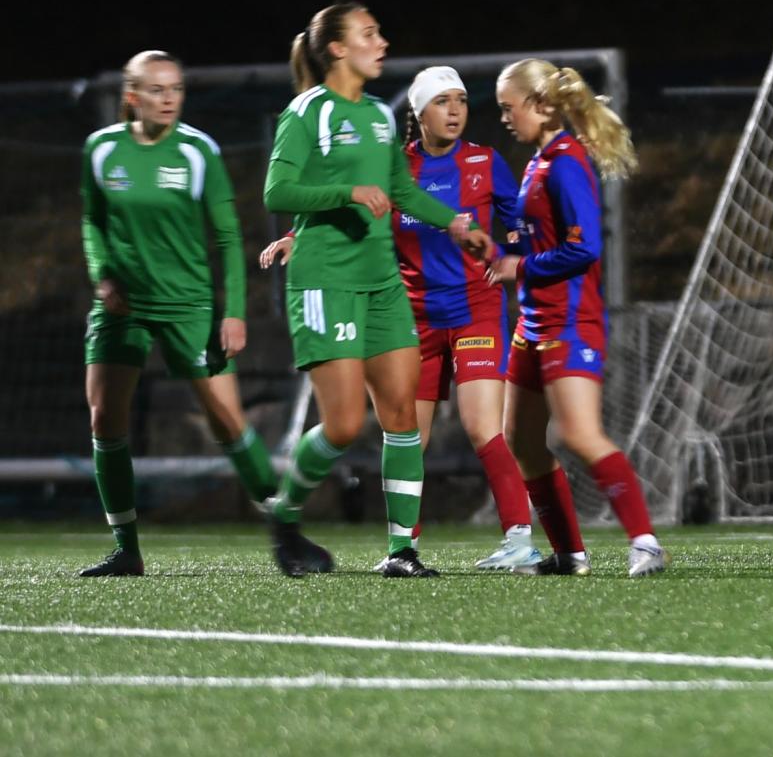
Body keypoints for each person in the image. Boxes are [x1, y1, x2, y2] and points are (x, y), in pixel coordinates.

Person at [260, 66, 540, 570]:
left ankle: (519, 538)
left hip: (474, 310)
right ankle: (402, 548)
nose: (454, 111)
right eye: (442, 101)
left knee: (484, 428)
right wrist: (299, 237)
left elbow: (518, 219)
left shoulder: (484, 161)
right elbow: (360, 215)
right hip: (414, 314)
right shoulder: (395, 163)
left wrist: (519, 254)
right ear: (418, 112)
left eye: (460, 100)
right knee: (407, 430)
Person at [76, 51, 280, 576]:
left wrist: (234, 312)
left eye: (177, 89)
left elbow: (229, 237)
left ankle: (286, 528)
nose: (169, 99)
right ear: (132, 97)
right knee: (104, 419)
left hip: (188, 305)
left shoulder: (197, 150)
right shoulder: (102, 149)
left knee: (226, 419)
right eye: (157, 90)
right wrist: (102, 274)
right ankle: (126, 548)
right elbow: (93, 221)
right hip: (122, 308)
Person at [488, 58, 667, 577]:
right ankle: (570, 554)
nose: (504, 118)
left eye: (509, 108)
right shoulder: (539, 161)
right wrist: (500, 252)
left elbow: (585, 248)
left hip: (569, 320)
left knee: (580, 434)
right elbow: (539, 239)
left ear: (542, 106)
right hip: (532, 322)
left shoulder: (565, 162)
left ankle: (646, 543)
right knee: (521, 442)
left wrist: (520, 266)